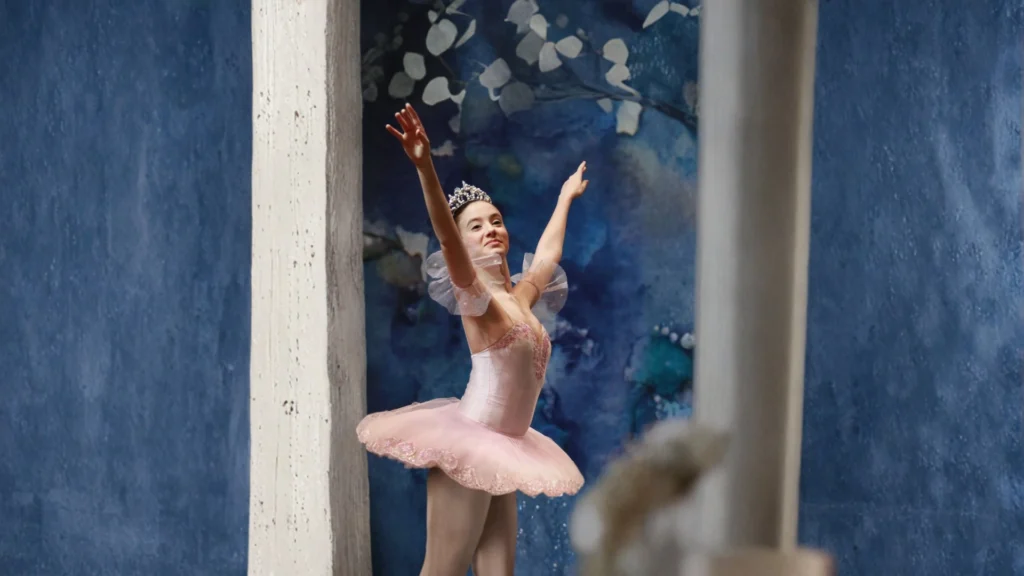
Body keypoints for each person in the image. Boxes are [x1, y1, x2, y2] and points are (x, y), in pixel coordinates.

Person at [356, 103, 587, 576]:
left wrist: (564, 198)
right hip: (472, 442)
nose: (491, 230)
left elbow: (545, 256)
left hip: (506, 447)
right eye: (476, 226)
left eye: (495, 221)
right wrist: (424, 167)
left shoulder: (520, 299)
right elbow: (445, 237)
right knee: (443, 568)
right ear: (465, 244)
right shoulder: (476, 298)